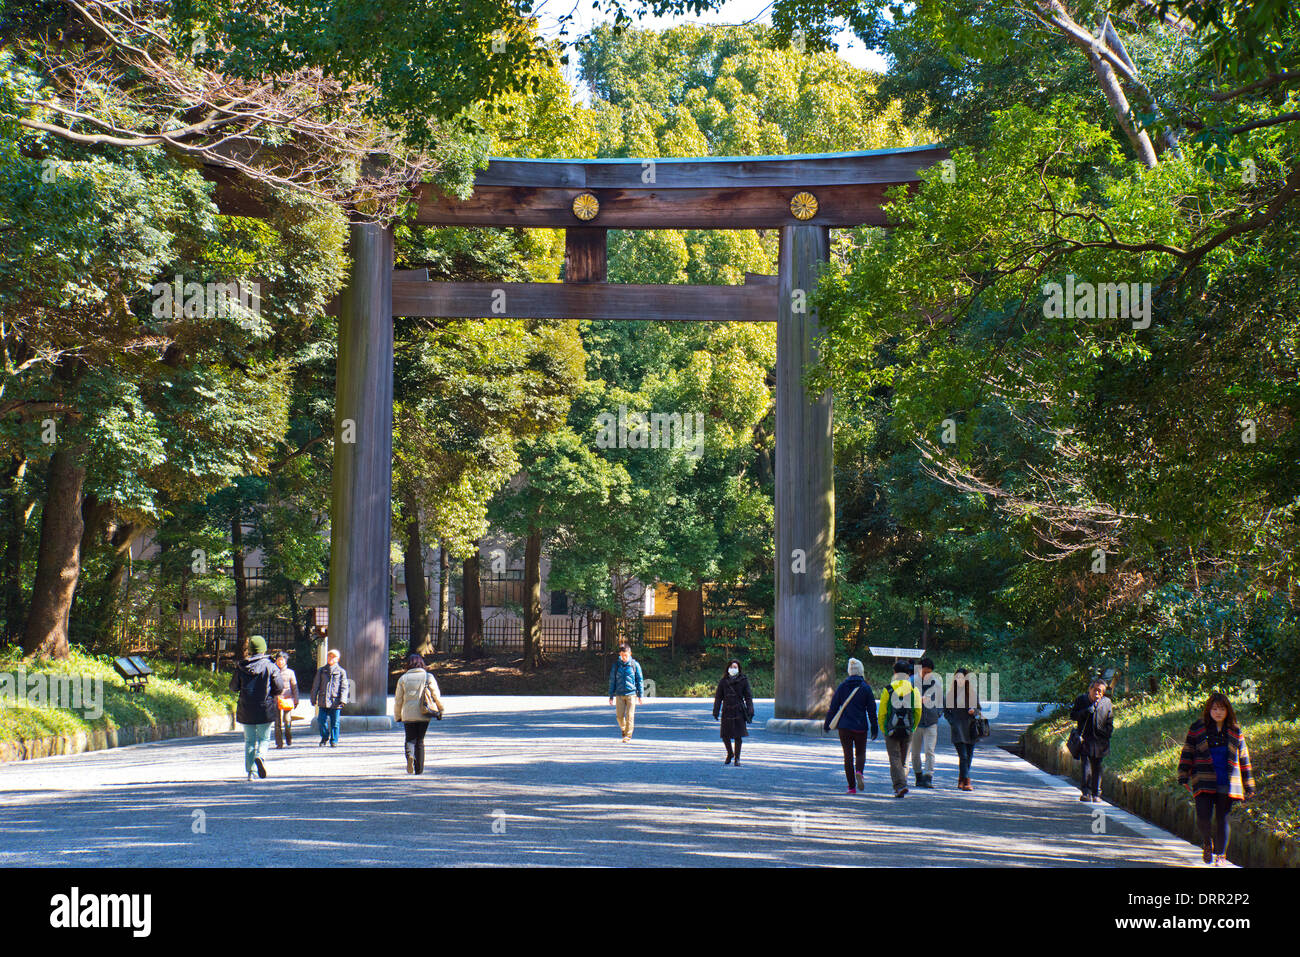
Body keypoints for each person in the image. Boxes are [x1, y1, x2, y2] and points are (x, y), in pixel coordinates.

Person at [1178, 692, 1255, 865]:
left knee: (1223, 818)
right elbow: (1188, 751)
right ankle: (1207, 841)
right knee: (1203, 817)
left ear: (1228, 710)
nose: (1218, 712)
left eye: (1222, 709)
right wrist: (1183, 774)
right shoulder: (1198, 728)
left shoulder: (1235, 731)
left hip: (1227, 782)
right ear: (1209, 710)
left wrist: (1249, 784)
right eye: (1214, 709)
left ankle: (1221, 855)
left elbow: (1244, 758)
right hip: (1203, 779)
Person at [229, 635, 287, 780]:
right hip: (264, 708)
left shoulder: (242, 666)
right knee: (264, 739)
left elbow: (233, 687)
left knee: (249, 741)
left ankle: (251, 772)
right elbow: (279, 688)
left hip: (246, 708)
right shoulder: (271, 666)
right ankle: (260, 757)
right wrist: (271, 693)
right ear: (263, 648)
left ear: (250, 649)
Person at [823, 658, 878, 793]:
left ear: (849, 670)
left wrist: (827, 724)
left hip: (844, 727)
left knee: (847, 756)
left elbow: (833, 707)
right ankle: (859, 771)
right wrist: (874, 727)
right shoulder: (866, 688)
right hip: (860, 726)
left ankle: (851, 787)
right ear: (861, 671)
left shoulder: (842, 686)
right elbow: (871, 710)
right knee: (860, 753)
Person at [394, 653, 445, 775]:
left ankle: (410, 756)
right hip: (424, 713)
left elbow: (398, 700)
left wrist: (397, 716)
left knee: (410, 739)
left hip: (408, 714)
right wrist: (440, 709)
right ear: (422, 664)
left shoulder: (403, 679)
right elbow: (435, 695)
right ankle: (419, 769)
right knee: (420, 741)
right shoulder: (428, 677)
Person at [878, 660, 922, 798]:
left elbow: (882, 712)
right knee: (903, 759)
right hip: (908, 729)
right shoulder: (914, 690)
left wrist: (883, 728)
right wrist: (913, 726)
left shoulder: (888, 690)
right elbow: (918, 711)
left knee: (894, 758)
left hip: (891, 729)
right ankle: (902, 783)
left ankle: (900, 786)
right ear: (908, 673)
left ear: (895, 673)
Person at [1070, 678, 1113, 802]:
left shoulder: (1106, 703)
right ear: (1090, 689)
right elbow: (1073, 715)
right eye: (1095, 690)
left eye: (1100, 691)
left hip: (1100, 741)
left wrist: (1107, 733)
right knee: (1086, 765)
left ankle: (1096, 794)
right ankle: (1086, 792)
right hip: (1085, 739)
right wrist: (1085, 712)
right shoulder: (1082, 700)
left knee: (1097, 766)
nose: (1097, 693)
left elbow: (1110, 720)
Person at [944, 667, 983, 791]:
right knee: (964, 755)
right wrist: (952, 722)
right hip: (958, 728)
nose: (960, 680)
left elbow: (979, 709)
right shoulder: (951, 695)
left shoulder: (972, 694)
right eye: (958, 678)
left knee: (969, 755)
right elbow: (946, 711)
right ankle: (966, 781)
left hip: (971, 728)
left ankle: (962, 778)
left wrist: (974, 711)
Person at [713, 659, 755, 766]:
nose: (733, 669)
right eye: (731, 667)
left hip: (739, 710)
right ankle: (730, 753)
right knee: (725, 735)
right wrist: (716, 710)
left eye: (735, 667)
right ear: (728, 668)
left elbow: (748, 696)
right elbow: (718, 697)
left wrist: (750, 708)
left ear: (739, 669)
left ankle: (737, 758)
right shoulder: (723, 681)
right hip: (726, 710)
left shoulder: (743, 680)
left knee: (738, 736)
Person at [911, 656, 942, 789]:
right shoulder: (912, 681)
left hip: (931, 721)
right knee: (915, 751)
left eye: (929, 672)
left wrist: (937, 713)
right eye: (925, 672)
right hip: (916, 722)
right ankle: (918, 776)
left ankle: (929, 776)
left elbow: (941, 701)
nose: (927, 675)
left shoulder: (936, 683)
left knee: (929, 750)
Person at [311, 648, 350, 747]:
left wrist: (343, 700)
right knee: (321, 720)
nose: (331, 658)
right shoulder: (321, 670)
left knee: (335, 722)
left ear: (338, 659)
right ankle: (324, 737)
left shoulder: (341, 672)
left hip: (335, 700)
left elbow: (344, 686)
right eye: (329, 656)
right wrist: (313, 697)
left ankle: (334, 740)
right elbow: (316, 685)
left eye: (333, 657)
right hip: (323, 699)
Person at [607, 644, 644, 742]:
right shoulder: (616, 665)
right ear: (620, 654)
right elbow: (612, 681)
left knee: (630, 716)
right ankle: (624, 729)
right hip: (619, 694)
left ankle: (628, 736)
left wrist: (640, 695)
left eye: (626, 655)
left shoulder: (634, 665)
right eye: (622, 655)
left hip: (631, 694)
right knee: (619, 717)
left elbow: (639, 680)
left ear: (630, 654)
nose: (624, 657)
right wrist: (611, 695)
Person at [273, 651, 299, 749]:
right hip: (275, 699)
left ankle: (288, 735)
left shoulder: (290, 672)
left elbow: (294, 687)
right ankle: (279, 743)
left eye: (282, 660)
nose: (280, 662)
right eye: (278, 660)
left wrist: (296, 699)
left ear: (285, 661)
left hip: (287, 699)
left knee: (287, 721)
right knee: (277, 723)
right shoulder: (273, 671)